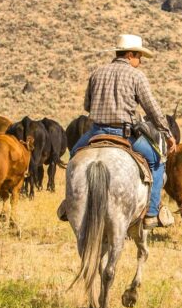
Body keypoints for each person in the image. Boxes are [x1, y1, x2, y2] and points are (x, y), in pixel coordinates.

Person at [72, 34, 176, 228]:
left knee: (73, 157)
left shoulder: (97, 72)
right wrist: (168, 134)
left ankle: (69, 204)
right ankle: (152, 213)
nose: (140, 61)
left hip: (96, 132)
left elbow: (87, 105)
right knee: (158, 161)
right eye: (139, 56)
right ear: (130, 55)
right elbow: (152, 109)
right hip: (125, 134)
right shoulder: (137, 76)